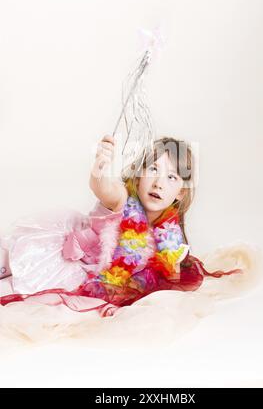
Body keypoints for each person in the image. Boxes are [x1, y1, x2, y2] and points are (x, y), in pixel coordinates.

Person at [0, 134, 244, 317]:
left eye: (171, 177)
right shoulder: (122, 199)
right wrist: (99, 170)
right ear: (138, 176)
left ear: (180, 192)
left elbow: (157, 277)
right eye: (153, 169)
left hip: (84, 277)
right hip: (60, 254)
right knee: (11, 260)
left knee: (15, 294)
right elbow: (104, 187)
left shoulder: (167, 236)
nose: (159, 183)